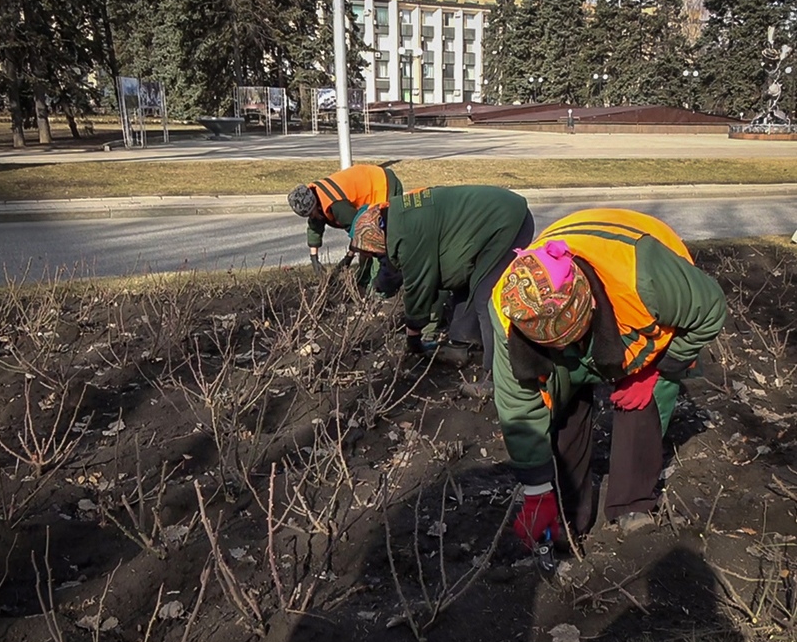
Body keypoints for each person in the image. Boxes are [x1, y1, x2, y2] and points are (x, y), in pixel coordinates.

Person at [487, 208, 727, 550]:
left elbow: (710, 310)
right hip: (582, 306)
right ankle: (569, 513)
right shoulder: (509, 310)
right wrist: (536, 491)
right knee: (561, 405)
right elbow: (519, 407)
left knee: (640, 402)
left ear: (588, 308)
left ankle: (633, 502)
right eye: (556, 344)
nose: (565, 349)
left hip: (634, 287)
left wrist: (652, 371)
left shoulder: (646, 278)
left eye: (570, 337)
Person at [350, 185, 535, 395]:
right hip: (492, 220)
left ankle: (497, 378)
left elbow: (419, 286)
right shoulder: (396, 220)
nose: (379, 258)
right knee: (465, 281)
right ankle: (460, 346)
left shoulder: (409, 234)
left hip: (509, 221)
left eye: (376, 254)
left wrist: (413, 337)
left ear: (377, 239)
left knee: (486, 299)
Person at [287, 164, 404, 278]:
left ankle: (382, 284)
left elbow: (361, 232)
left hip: (383, 185)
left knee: (379, 245)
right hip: (372, 182)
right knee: (368, 247)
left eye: (311, 213)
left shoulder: (337, 206)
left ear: (315, 205)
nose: (312, 216)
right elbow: (315, 226)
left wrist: (348, 257)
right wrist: (314, 258)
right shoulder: (314, 195)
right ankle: (365, 281)